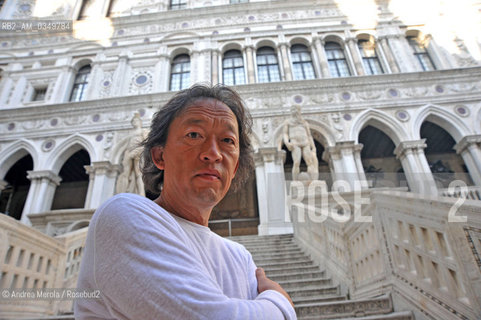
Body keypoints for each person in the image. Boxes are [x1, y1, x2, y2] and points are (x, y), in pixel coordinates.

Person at [75, 84, 296, 319]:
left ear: (235, 168)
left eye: (227, 140)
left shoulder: (240, 256)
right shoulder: (122, 215)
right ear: (160, 155)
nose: (213, 153)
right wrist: (280, 303)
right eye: (194, 135)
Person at [282, 105, 318, 180]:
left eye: (295, 109)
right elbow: (285, 133)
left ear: (299, 111)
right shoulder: (288, 122)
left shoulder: (304, 122)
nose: (293, 111)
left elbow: (309, 135)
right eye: (292, 109)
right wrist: (286, 142)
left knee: (309, 162)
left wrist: (313, 147)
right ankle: (295, 181)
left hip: (305, 142)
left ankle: (313, 180)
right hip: (295, 143)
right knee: (296, 162)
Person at [115, 112, 146, 196]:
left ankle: (141, 193)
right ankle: (123, 192)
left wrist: (138, 151)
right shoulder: (131, 134)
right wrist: (126, 153)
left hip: (138, 152)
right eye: (133, 121)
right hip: (129, 153)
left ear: (140, 122)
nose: (135, 122)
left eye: (136, 121)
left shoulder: (143, 131)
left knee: (138, 173)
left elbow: (146, 143)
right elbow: (126, 145)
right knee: (126, 173)